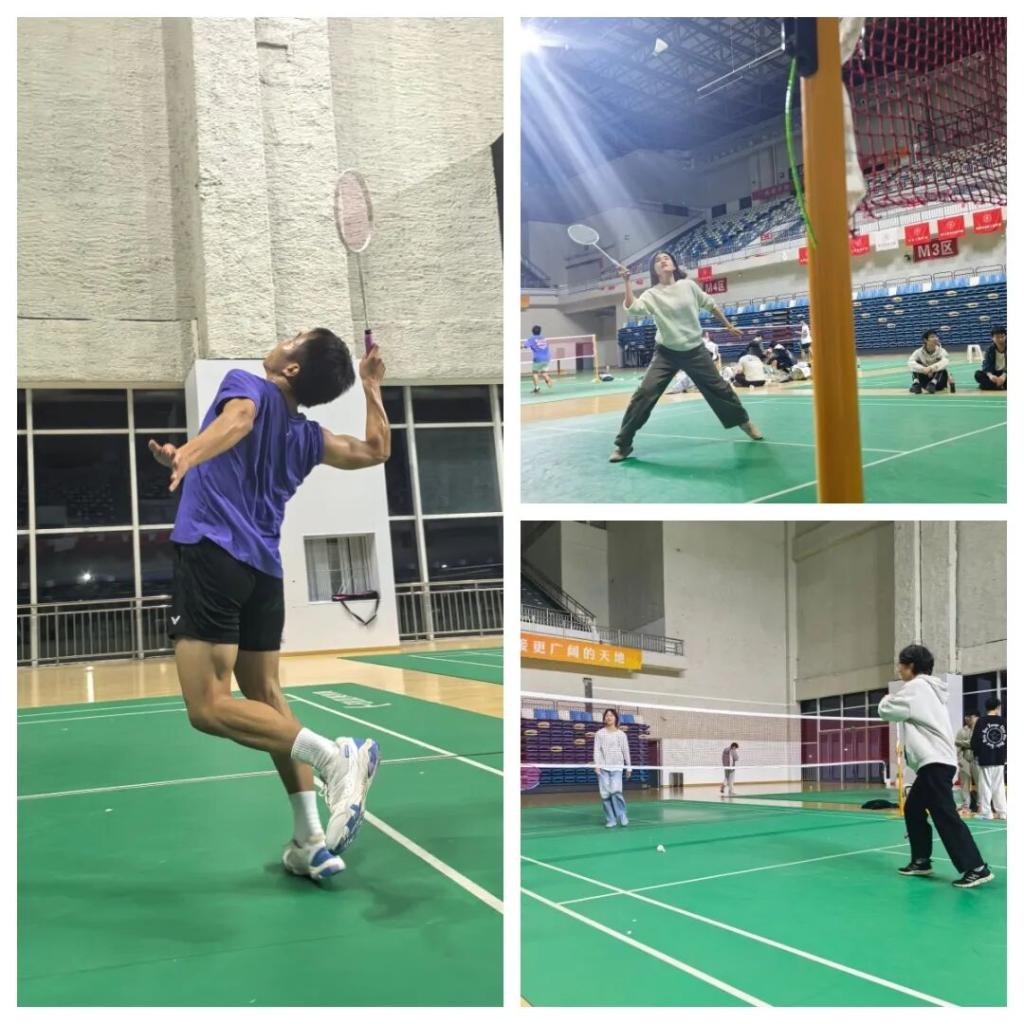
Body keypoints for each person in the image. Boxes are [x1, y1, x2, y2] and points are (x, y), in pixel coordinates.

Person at [150, 328, 390, 882]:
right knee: (268, 699)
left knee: (208, 707)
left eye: (293, 339)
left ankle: (335, 757)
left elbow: (238, 421)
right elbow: (376, 450)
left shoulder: (248, 385)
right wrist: (372, 386)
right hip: (263, 573)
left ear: (292, 369)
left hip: (212, 553)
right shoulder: (310, 438)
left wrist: (187, 453)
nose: (283, 340)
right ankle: (310, 840)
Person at [609, 251, 763, 462]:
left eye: (666, 258)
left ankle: (744, 422)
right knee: (644, 393)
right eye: (657, 260)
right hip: (666, 352)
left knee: (720, 389)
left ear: (674, 264)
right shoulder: (652, 294)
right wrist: (627, 282)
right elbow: (633, 309)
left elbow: (710, 304)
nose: (662, 260)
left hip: (694, 350)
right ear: (655, 270)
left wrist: (727, 325)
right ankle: (623, 444)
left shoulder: (688, 286)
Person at [878, 644, 994, 888]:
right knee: (913, 808)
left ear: (911, 666)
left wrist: (887, 697)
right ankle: (921, 860)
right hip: (935, 763)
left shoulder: (917, 687)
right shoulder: (930, 689)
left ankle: (976, 867)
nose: (899, 669)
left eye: (901, 665)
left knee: (944, 814)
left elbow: (886, 710)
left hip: (935, 763)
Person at [593, 708, 631, 827]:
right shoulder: (599, 733)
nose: (609, 717)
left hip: (617, 767)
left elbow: (626, 751)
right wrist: (597, 765)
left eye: (611, 715)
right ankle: (611, 819)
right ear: (604, 719)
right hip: (603, 768)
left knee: (616, 792)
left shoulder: (621, 734)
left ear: (615, 718)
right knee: (605, 795)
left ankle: (622, 814)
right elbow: (597, 750)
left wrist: (629, 767)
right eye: (607, 715)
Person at [971, 696, 1007, 820]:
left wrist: (977, 755)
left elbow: (974, 742)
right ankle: (1002, 812)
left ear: (986, 708)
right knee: (999, 786)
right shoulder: (1003, 721)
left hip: (985, 758)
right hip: (1000, 758)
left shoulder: (981, 721)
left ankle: (987, 813)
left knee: (985, 786)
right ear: (997, 707)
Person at [954, 713, 979, 816]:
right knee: (964, 784)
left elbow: (974, 743)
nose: (967, 719)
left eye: (970, 717)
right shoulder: (962, 731)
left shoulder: (980, 729)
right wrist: (959, 760)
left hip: (977, 760)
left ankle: (980, 805)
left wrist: (961, 742)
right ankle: (966, 806)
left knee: (980, 784)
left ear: (976, 717)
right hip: (964, 760)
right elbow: (957, 746)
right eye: (966, 717)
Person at [974, 326, 1006, 391]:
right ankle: (1001, 386)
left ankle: (990, 386)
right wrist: (990, 375)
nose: (1000, 339)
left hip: (1006, 374)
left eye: (1002, 336)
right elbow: (986, 365)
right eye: (997, 337)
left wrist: (1004, 376)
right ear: (992, 338)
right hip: (995, 373)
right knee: (978, 374)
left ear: (1006, 336)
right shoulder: (990, 350)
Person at [523, 325, 553, 394]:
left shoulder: (531, 338)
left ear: (532, 331)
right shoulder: (543, 338)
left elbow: (525, 346)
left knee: (535, 373)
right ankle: (548, 381)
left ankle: (537, 388)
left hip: (538, 358)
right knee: (544, 372)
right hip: (547, 358)